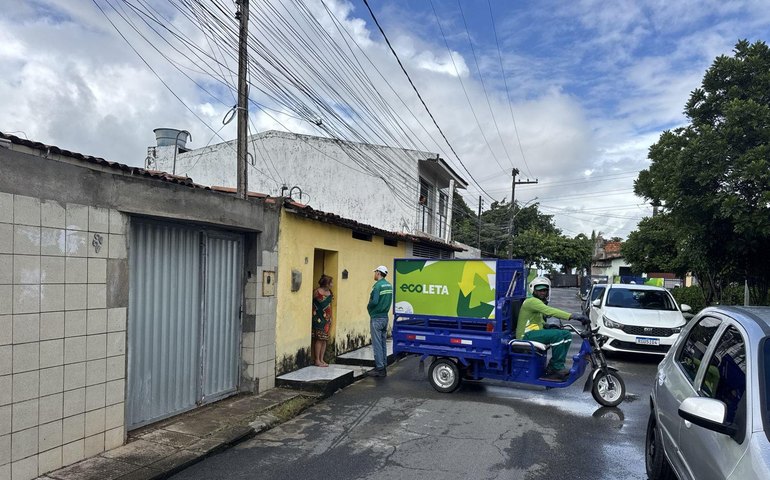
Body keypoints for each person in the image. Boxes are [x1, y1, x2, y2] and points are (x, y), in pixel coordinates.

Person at [515, 276, 588, 380]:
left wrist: (546, 325)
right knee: (557, 335)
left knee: (566, 334)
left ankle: (555, 366)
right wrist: (573, 316)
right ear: (533, 290)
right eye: (539, 290)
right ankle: (555, 368)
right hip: (525, 335)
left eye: (544, 290)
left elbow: (536, 320)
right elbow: (549, 311)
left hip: (535, 332)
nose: (542, 292)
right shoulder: (531, 301)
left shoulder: (537, 302)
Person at [367, 265, 393, 377]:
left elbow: (374, 301)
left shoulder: (377, 286)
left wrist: (369, 306)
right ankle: (384, 365)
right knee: (383, 343)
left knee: (377, 343)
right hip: (385, 317)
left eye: (375, 272)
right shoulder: (389, 285)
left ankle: (380, 368)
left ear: (378, 273)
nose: (374, 274)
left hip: (376, 317)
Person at [311, 274, 334, 367]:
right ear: (326, 284)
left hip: (327, 319)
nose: (332, 284)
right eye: (331, 282)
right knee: (319, 339)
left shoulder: (330, 292)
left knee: (324, 339)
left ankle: (321, 359)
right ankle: (317, 360)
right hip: (318, 318)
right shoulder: (316, 292)